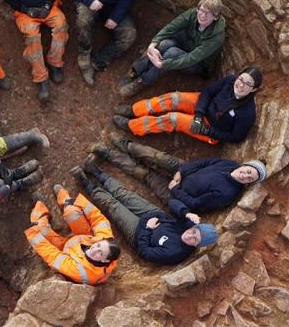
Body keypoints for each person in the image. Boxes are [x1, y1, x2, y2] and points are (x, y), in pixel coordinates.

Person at [86, 134, 267, 219]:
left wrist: (175, 188)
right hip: (182, 170)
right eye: (248, 171)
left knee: (143, 173)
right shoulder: (231, 164)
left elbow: (196, 204)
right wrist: (181, 172)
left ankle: (106, 153)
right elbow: (204, 163)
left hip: (174, 193)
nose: (245, 175)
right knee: (152, 155)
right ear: (246, 165)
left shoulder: (228, 194)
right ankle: (125, 144)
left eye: (250, 178)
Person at [71, 167, 218, 265]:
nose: (189, 235)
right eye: (193, 231)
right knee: (124, 194)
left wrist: (147, 229)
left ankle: (86, 183)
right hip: (152, 213)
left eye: (195, 239)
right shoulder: (189, 225)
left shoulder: (176, 253)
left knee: (112, 205)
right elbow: (172, 203)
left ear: (198, 245)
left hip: (137, 232)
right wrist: (186, 213)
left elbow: (145, 253)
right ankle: (98, 173)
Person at [113, 67, 263, 144]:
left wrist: (208, 131)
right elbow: (209, 91)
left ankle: (134, 126)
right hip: (203, 107)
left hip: (209, 127)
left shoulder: (247, 113)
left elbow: (236, 137)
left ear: (254, 89)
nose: (241, 84)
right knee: (174, 98)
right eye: (241, 79)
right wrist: (198, 114)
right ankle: (135, 110)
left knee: (174, 119)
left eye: (248, 84)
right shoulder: (231, 80)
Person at [3, 0, 69, 101]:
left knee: (61, 24)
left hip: (47, 7)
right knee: (32, 36)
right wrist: (27, 10)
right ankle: (41, 77)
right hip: (26, 13)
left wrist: (47, 5)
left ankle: (55, 63)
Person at [119, 0, 226, 97]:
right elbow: (171, 28)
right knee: (164, 44)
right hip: (184, 44)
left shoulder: (216, 37)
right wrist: (153, 45)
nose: (202, 15)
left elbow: (192, 58)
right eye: (201, 10)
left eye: (208, 13)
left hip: (197, 63)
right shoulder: (193, 14)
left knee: (172, 53)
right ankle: (135, 71)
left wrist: (163, 64)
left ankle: (143, 80)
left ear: (215, 17)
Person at [24, 184, 120, 285]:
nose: (94, 249)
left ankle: (40, 207)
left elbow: (51, 255)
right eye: (98, 245)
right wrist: (77, 202)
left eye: (100, 253)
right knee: (71, 211)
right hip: (81, 239)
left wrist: (33, 234)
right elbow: (97, 218)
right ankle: (63, 198)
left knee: (40, 227)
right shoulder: (106, 241)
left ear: (104, 261)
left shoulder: (80, 271)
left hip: (65, 251)